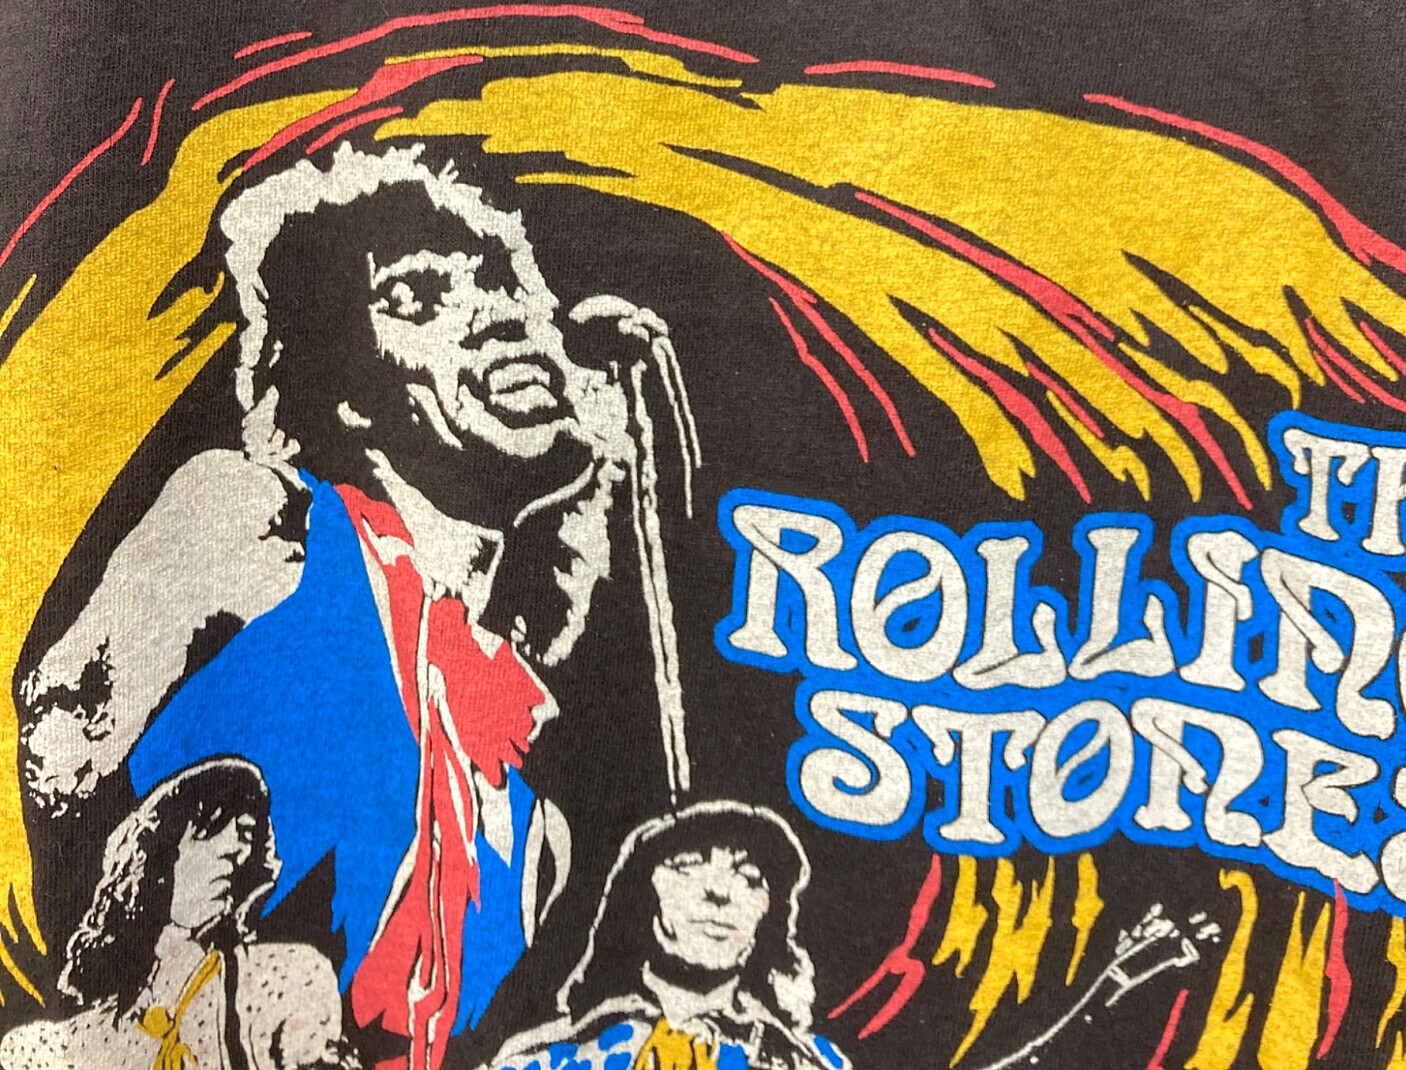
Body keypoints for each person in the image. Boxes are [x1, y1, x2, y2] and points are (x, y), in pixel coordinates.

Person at [18, 144, 700, 1070]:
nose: (497, 315)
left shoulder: (535, 832)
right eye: (416, 296)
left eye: (503, 284)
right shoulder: (257, 520)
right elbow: (56, 755)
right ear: (340, 391)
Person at [0, 757, 348, 1070]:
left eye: (246, 833)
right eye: (213, 826)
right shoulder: (90, 1033)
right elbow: (22, 1050)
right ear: (160, 854)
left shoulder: (281, 977)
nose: (237, 849)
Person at [494, 803, 848, 1070]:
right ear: (641, 890)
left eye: (749, 875)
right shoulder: (553, 1058)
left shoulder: (807, 1060)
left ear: (769, 909)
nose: (719, 892)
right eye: (688, 864)